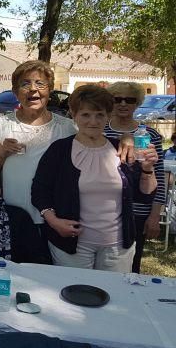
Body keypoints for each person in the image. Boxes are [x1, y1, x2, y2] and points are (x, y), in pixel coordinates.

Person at [32, 85, 158, 272]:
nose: (93, 121)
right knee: (74, 296)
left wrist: (148, 169)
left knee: (115, 296)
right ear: (74, 114)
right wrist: (53, 221)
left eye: (99, 114)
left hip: (117, 246)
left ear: (108, 115)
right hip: (72, 245)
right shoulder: (59, 150)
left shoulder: (121, 149)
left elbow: (144, 195)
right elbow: (39, 191)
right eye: (86, 115)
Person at [0, 60, 77, 225]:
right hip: (14, 214)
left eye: (40, 83)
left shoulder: (67, 127)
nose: (33, 89)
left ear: (50, 89)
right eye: (25, 84)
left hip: (55, 216)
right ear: (15, 92)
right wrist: (3, 152)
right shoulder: (3, 124)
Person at [104, 81, 167, 273]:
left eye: (129, 100)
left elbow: (160, 177)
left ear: (137, 103)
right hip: (105, 209)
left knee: (132, 264)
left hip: (138, 210)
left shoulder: (150, 135)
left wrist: (155, 215)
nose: (123, 104)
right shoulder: (100, 130)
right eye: (117, 99)